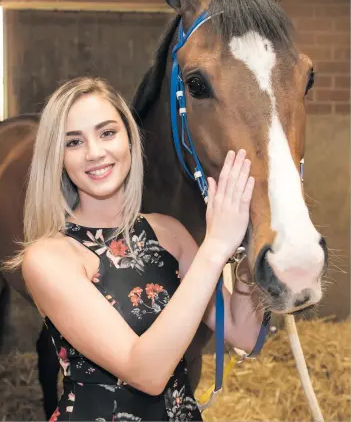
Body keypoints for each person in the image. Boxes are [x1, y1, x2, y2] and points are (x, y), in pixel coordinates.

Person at [15, 76, 262, 422]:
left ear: (129, 139)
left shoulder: (169, 233)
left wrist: (254, 241)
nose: (95, 152)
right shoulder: (49, 258)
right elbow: (145, 372)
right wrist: (216, 246)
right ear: (58, 159)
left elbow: (242, 332)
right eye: (73, 142)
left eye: (107, 133)